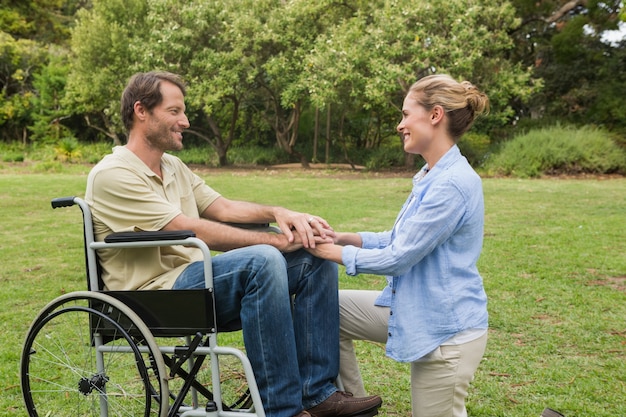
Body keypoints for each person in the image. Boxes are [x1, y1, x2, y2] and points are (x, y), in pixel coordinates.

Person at [84, 71, 382, 417]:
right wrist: (274, 241)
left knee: (313, 254)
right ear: (141, 111)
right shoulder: (113, 173)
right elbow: (190, 228)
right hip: (152, 295)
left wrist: (281, 213)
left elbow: (223, 209)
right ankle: (283, 410)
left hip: (195, 278)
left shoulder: (173, 166)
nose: (186, 120)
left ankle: (316, 393)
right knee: (264, 259)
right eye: (175, 111)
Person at [306, 74, 490, 417]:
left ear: (435, 115)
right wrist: (345, 238)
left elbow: (399, 257)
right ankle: (353, 406)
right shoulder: (431, 174)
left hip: (446, 332)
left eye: (407, 114)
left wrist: (329, 253)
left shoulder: (451, 183)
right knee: (328, 307)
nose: (400, 124)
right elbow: (400, 239)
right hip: (415, 307)